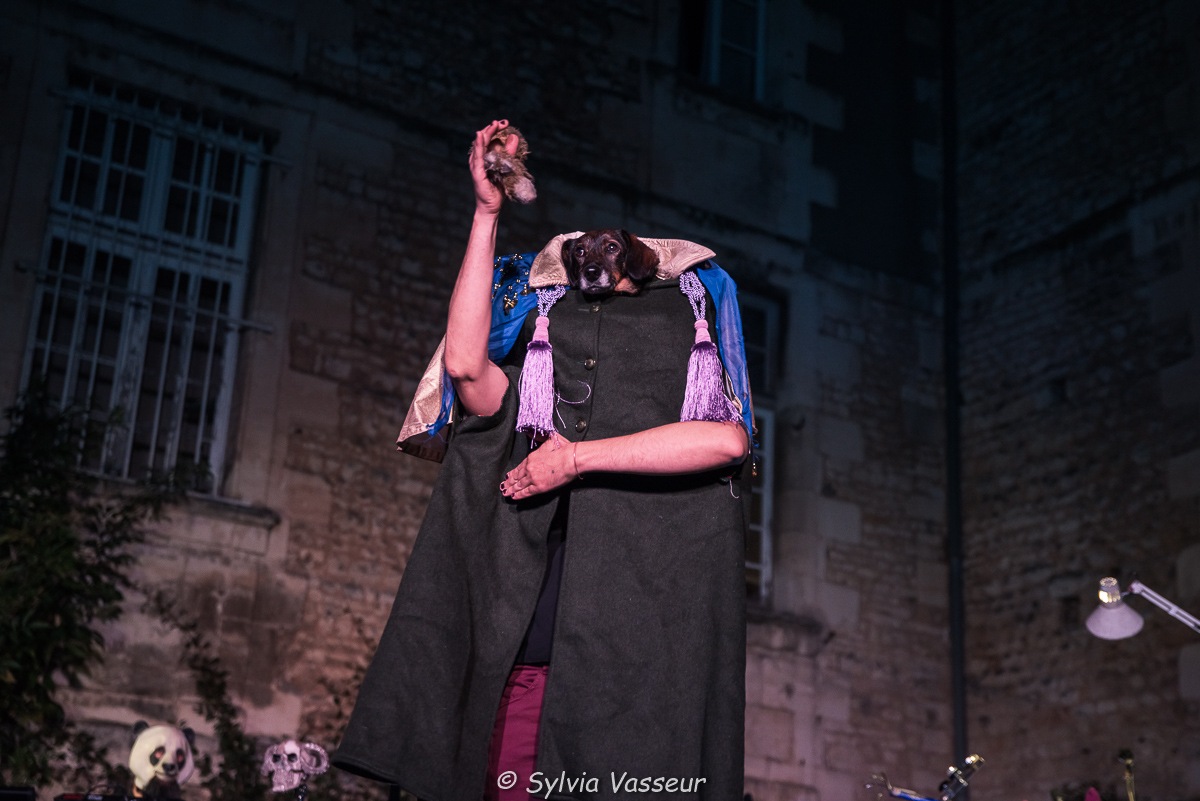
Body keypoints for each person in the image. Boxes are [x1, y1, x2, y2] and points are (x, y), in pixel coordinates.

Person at [332, 120, 752, 800]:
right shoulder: (536, 403)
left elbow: (727, 441)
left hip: (636, 687)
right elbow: (465, 366)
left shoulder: (673, 388)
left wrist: (576, 459)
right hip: (529, 674)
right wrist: (485, 214)